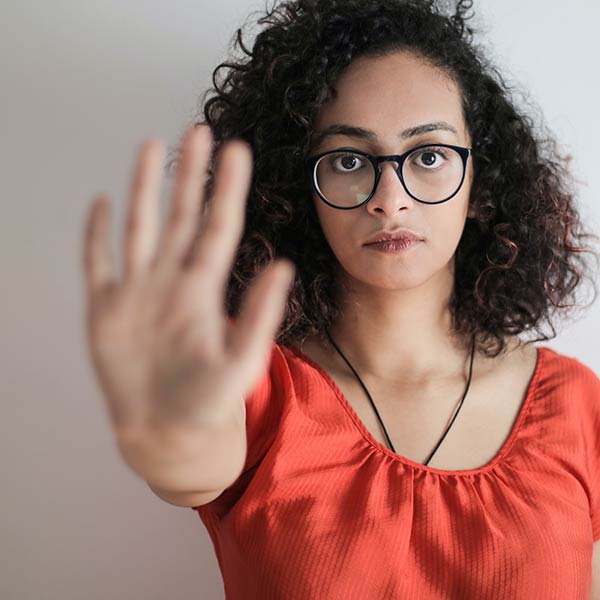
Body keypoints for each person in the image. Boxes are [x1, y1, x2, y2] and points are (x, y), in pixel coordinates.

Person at [81, 0, 600, 597]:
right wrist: (164, 430)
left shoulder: (575, 405)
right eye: (350, 160)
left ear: (481, 185)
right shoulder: (252, 391)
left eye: (428, 155)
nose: (390, 199)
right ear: (301, 193)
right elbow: (187, 459)